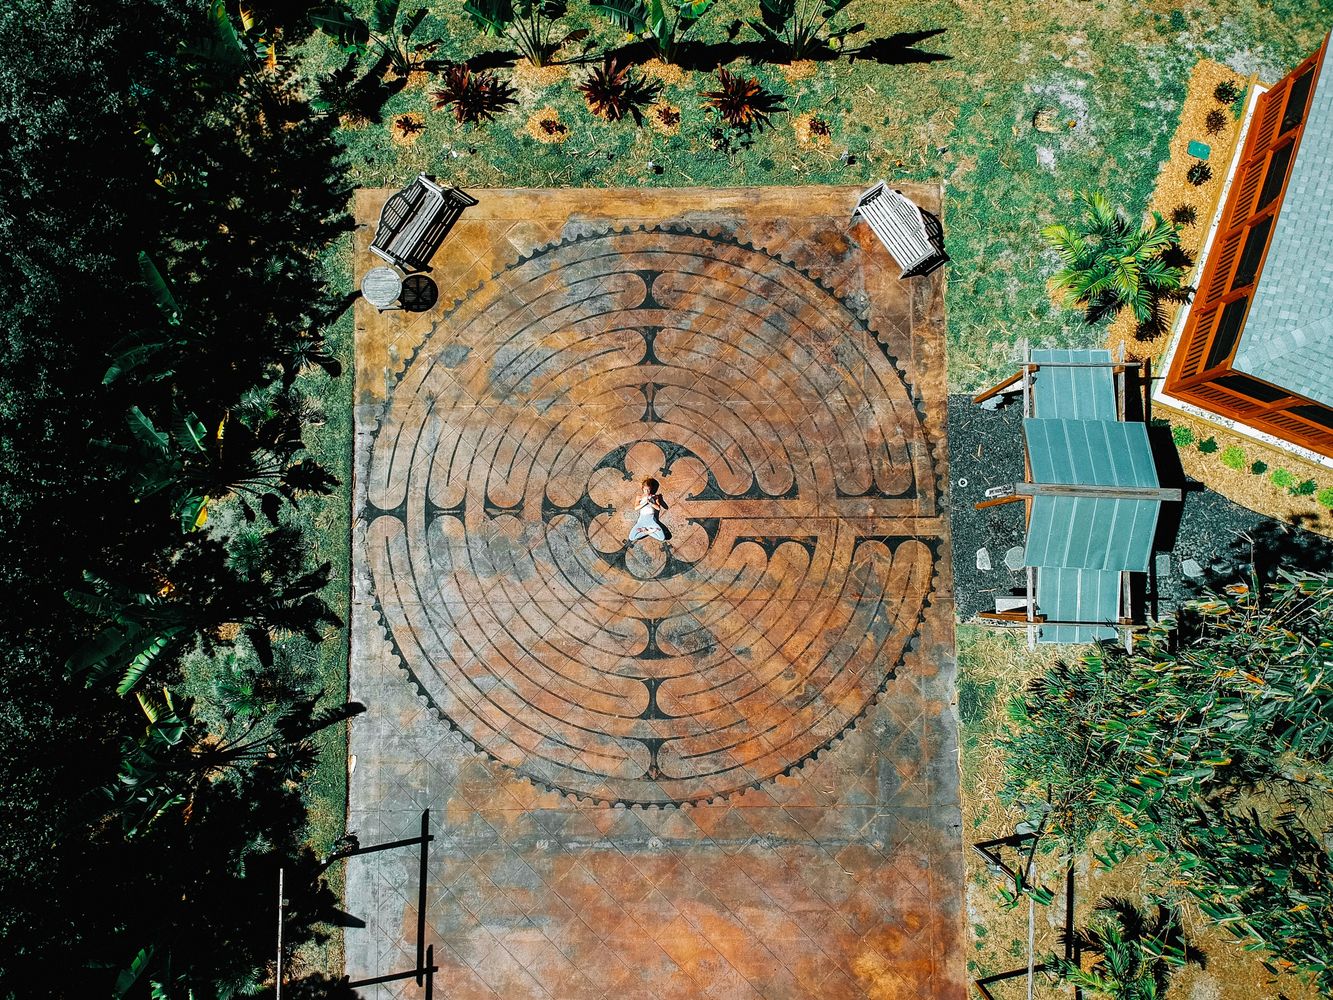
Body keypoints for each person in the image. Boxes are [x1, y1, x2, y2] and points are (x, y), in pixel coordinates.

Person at [627, 477, 667, 545]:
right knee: (631, 537)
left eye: (648, 490)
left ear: (650, 489)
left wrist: (651, 502)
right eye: (645, 490)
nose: (647, 491)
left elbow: (658, 508)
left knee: (662, 538)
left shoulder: (655, 497)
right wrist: (645, 502)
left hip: (651, 521)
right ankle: (650, 531)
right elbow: (636, 508)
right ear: (642, 489)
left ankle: (646, 531)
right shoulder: (639, 497)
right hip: (641, 521)